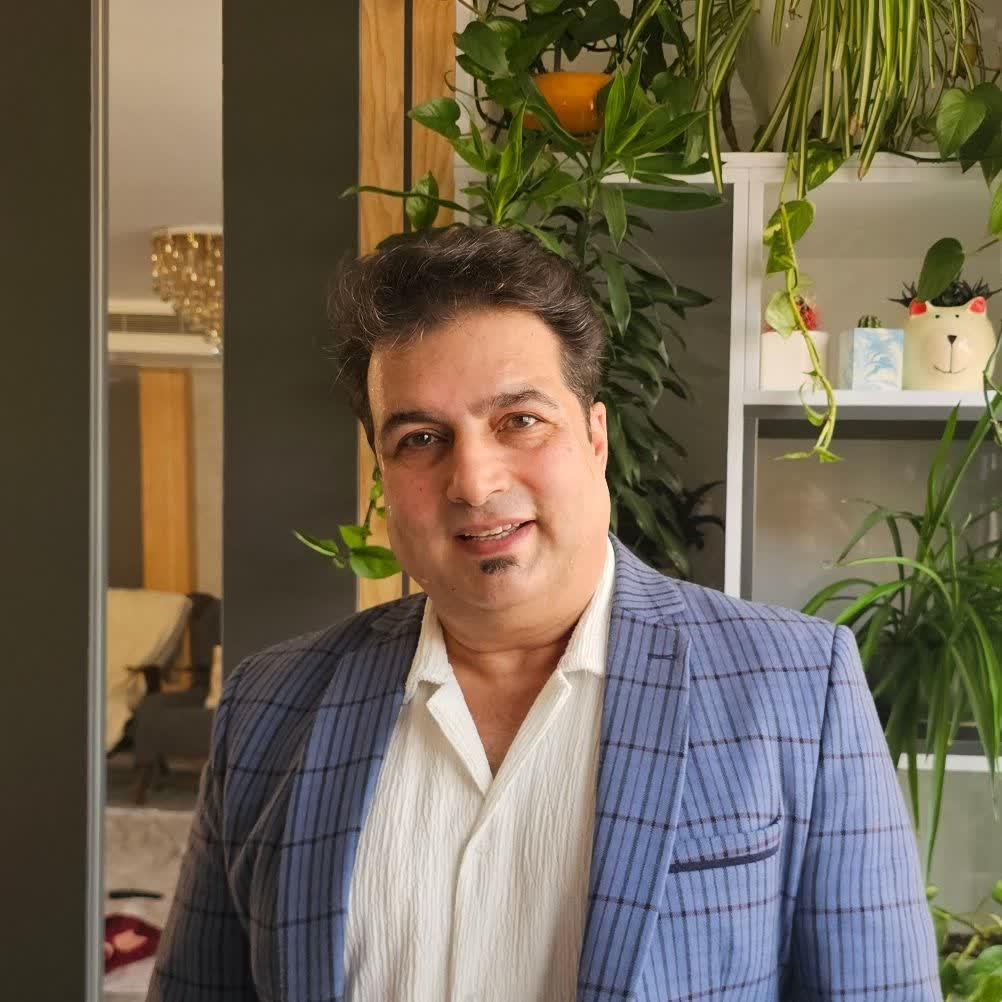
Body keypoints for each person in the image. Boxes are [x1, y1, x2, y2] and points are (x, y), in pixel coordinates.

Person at [150, 225, 940, 1002]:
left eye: (519, 421)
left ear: (595, 439)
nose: (474, 481)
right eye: (421, 438)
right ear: (383, 475)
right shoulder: (269, 706)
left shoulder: (797, 688)